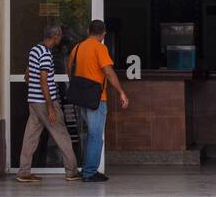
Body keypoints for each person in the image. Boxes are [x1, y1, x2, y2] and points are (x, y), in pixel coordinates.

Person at [16, 24, 80, 183]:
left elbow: (27, 76)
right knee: (62, 135)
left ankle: (24, 171)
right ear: (56, 36)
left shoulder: (34, 50)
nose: (61, 38)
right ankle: (72, 171)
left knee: (30, 136)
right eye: (60, 36)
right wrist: (51, 107)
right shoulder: (45, 53)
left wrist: (34, 91)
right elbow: (44, 80)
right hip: (46, 102)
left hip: (34, 101)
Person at [68, 20, 130, 183]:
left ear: (88, 31)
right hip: (97, 98)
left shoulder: (77, 48)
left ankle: (86, 169)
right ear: (103, 34)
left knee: (88, 135)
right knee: (95, 135)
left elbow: (70, 70)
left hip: (81, 98)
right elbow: (108, 73)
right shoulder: (100, 48)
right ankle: (89, 172)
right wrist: (121, 92)